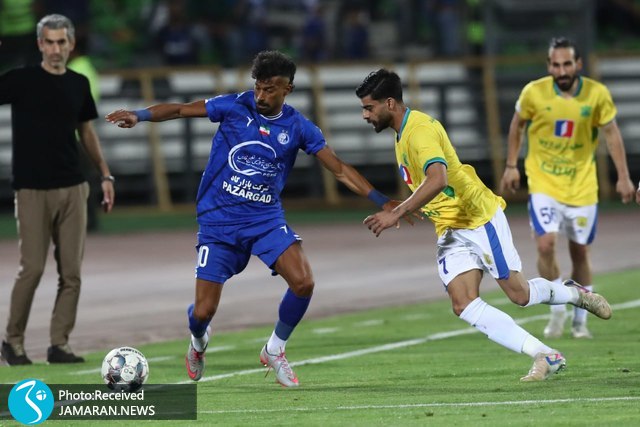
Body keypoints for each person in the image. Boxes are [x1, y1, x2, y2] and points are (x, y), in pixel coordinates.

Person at [105, 50, 402, 387]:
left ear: (287, 89)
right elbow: (180, 109)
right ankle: (198, 341)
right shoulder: (235, 106)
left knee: (303, 282)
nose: (261, 96)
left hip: (265, 220)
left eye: (269, 89)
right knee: (202, 312)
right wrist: (139, 115)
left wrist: (383, 201)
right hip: (218, 222)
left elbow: (340, 169)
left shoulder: (298, 127)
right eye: (258, 87)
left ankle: (274, 349)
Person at [356, 68, 612, 381]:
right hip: (451, 228)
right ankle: (545, 354)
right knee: (462, 303)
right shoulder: (403, 132)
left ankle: (572, 293)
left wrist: (397, 213)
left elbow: (438, 179)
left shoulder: (419, 130)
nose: (365, 115)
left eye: (369, 108)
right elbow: (430, 183)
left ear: (390, 103)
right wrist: (408, 204)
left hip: (477, 217)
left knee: (520, 295)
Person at [500, 37, 635, 340]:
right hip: (544, 183)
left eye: (567, 64)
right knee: (545, 245)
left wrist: (623, 176)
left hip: (582, 186)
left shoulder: (597, 95)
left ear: (578, 64)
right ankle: (557, 307)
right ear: (548, 66)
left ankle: (580, 320)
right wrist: (511, 165)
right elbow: (517, 125)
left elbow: (612, 133)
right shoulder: (533, 92)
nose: (561, 70)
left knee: (580, 252)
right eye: (556, 65)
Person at [0, 14, 115, 366]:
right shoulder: (20, 80)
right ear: (39, 45)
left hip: (73, 187)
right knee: (32, 269)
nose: (55, 49)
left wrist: (105, 175)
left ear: (71, 44)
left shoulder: (79, 83)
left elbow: (87, 132)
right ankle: (12, 342)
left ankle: (59, 344)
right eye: (48, 42)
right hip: (32, 189)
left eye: (61, 42)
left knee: (71, 273)